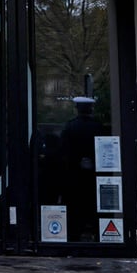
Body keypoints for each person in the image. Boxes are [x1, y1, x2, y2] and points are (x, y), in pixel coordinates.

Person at [60, 96, 107, 241]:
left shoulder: (70, 126)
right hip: (94, 175)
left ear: (77, 109)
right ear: (91, 109)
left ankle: (74, 235)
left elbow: (64, 152)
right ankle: (97, 234)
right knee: (93, 205)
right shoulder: (98, 127)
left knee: (75, 207)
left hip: (74, 175)